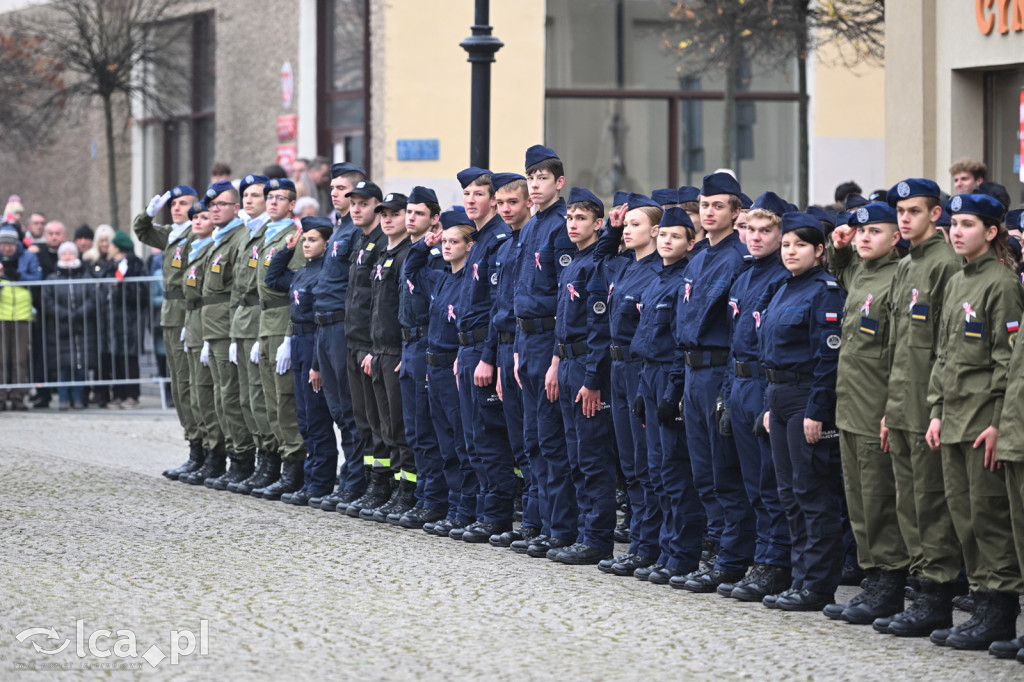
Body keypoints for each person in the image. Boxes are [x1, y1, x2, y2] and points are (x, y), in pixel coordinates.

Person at [925, 192, 1023, 650]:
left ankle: (998, 611)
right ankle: (982, 604)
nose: (958, 232)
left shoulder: (1000, 285)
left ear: (991, 232)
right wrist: (937, 412)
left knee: (990, 520)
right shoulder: (958, 281)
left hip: (984, 420)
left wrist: (999, 421)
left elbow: (1007, 362)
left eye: (968, 224)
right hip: (955, 417)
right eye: (955, 224)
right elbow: (945, 355)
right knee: (964, 518)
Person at [877, 178, 964, 638]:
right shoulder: (907, 264)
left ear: (936, 215)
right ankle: (920, 590)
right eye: (901, 211)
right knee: (908, 504)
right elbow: (898, 346)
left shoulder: (944, 266)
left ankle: (937, 596)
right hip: (902, 403)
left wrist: (937, 407)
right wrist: (891, 410)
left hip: (930, 404)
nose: (905, 218)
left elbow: (947, 346)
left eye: (914, 211)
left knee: (931, 504)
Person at [667, 172, 754, 593]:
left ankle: (733, 558)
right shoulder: (698, 257)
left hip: (720, 370)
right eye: (705, 205)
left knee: (725, 473)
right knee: (703, 472)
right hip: (692, 370)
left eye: (719, 205)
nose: (709, 211)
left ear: (737, 212)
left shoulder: (738, 258)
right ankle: (717, 552)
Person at [758, 212, 846, 612]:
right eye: (787, 244)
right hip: (779, 396)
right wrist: (767, 404)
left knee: (812, 491)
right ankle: (799, 578)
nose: (791, 251)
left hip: (806, 396)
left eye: (801, 245)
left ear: (820, 250)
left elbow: (828, 358)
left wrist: (817, 409)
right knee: (789, 494)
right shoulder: (783, 288)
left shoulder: (824, 292)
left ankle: (817, 586)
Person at [824, 201, 907, 625]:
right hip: (850, 406)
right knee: (858, 500)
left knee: (879, 501)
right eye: (861, 232)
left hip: (878, 409)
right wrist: (839, 247)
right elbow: (842, 270)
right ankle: (873, 580)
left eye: (875, 231)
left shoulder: (900, 277)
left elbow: (901, 355)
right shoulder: (860, 271)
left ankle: (888, 584)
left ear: (896, 237)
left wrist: (892, 411)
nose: (865, 238)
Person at [717, 192, 793, 602]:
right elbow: (735, 342)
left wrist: (766, 404)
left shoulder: (783, 275)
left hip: (767, 386)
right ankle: (755, 558)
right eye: (750, 230)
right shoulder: (744, 276)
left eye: (767, 231)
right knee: (747, 483)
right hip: (741, 383)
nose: (756, 238)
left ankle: (774, 564)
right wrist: (727, 395)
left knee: (770, 483)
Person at [628, 205, 704, 584]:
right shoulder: (656, 279)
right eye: (664, 236)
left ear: (691, 242)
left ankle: (682, 553)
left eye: (677, 236)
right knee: (654, 470)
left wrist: (671, 392)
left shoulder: (684, 282)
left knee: (675, 471)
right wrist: (644, 390)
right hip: (649, 374)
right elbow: (646, 341)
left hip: (671, 377)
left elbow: (678, 343)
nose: (667, 241)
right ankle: (661, 547)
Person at [510, 145, 579, 559]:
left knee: (552, 440)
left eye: (542, 178)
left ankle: (560, 527)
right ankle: (538, 521)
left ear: (559, 182)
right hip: (526, 340)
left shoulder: (560, 225)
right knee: (533, 439)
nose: (535, 184)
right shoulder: (532, 225)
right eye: (531, 177)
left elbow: (564, 299)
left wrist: (555, 357)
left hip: (549, 340)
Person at [548, 187, 617, 564]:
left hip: (588, 370)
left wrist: (592, 380)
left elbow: (597, 329)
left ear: (598, 224)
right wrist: (557, 363)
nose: (573, 225)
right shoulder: (574, 262)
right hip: (569, 363)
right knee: (574, 454)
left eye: (581, 219)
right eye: (570, 218)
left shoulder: (596, 264)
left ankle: (597, 539)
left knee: (592, 457)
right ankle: (581, 532)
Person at [594, 193, 661, 575]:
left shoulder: (657, 270)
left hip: (639, 368)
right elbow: (598, 262)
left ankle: (650, 544)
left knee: (647, 460)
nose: (628, 230)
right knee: (631, 463)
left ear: (655, 230)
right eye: (627, 225)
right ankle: (639, 542)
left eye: (636, 225)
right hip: (617, 368)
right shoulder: (623, 267)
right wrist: (612, 226)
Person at [405, 212, 479, 538]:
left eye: (454, 241)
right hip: (433, 367)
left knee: (462, 443)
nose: (447, 247)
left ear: (469, 245)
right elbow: (410, 272)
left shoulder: (470, 283)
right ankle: (453, 508)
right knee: (445, 444)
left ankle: (467, 510)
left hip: (454, 366)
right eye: (445, 241)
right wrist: (425, 245)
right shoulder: (441, 278)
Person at [455, 167, 516, 543]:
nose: (471, 201)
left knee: (489, 437)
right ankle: (481, 509)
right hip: (467, 346)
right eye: (466, 195)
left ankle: (496, 515)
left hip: (483, 346)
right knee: (472, 437)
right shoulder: (479, 240)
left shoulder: (497, 240)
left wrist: (487, 356)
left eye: (478, 194)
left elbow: (497, 306)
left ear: (493, 200)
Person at [266, 216, 338, 507]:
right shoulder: (303, 271)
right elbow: (272, 279)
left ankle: (320, 483)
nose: (307, 245)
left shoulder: (325, 274)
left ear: (326, 244)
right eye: (305, 240)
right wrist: (287, 249)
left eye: (312, 240)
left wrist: (317, 363)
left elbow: (321, 320)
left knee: (317, 416)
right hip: (297, 342)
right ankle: (310, 480)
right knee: (304, 418)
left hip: (313, 342)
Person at [134, 185, 203, 479]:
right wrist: (147, 215)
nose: (176, 208)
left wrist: (192, 318)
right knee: (178, 386)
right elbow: (143, 232)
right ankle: (194, 448)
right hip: (170, 315)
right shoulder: (171, 234)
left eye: (183, 203)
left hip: (186, 312)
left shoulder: (194, 235)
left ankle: (204, 451)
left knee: (191, 384)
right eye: (173, 204)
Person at [310, 162, 367, 512]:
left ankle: (355, 480)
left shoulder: (355, 233)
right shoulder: (339, 227)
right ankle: (350, 478)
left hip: (343, 327)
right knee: (337, 410)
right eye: (332, 187)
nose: (335, 193)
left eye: (342, 188)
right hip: (324, 326)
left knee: (350, 410)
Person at [486, 173, 538, 547]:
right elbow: (496, 307)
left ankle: (536, 521)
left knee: (535, 440)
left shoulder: (534, 239)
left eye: (513, 203)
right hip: (505, 345)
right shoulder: (505, 248)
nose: (506, 210)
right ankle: (530, 518)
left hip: (525, 344)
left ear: (528, 203)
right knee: (520, 440)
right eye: (501, 203)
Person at [196, 180, 257, 488]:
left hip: (228, 326)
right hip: (214, 326)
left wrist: (234, 333)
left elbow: (237, 290)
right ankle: (228, 455)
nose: (214, 210)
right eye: (212, 205)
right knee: (220, 396)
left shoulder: (238, 238)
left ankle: (242, 458)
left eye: (221, 204)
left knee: (232, 396)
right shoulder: (219, 238)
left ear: (236, 208)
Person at [393, 186, 448, 529]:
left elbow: (435, 312)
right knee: (414, 430)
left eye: (418, 214)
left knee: (429, 431)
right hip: (409, 347)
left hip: (428, 346)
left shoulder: (437, 257)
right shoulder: (411, 253)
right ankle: (425, 496)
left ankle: (433, 500)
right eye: (408, 213)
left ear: (434, 220)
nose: (411, 218)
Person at [360, 192, 416, 522]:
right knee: (385, 426)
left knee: (400, 425)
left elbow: (406, 311)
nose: (389, 219)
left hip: (397, 351)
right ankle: (395, 487)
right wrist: (372, 348)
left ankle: (408, 491)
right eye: (385, 214)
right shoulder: (384, 253)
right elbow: (374, 309)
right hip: (379, 351)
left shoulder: (409, 254)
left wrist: (402, 350)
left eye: (396, 213)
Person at [338, 180, 391, 518]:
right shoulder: (361, 240)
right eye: (352, 203)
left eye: (363, 203)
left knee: (381, 422)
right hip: (354, 342)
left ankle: (383, 486)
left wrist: (373, 347)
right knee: (363, 420)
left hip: (372, 346)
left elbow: (378, 306)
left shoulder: (384, 244)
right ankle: (372, 482)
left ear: (376, 206)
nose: (356, 209)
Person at [253, 178, 308, 500]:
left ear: (292, 205)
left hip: (281, 321)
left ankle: (293, 466)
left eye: (280, 198)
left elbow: (296, 289)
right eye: (269, 197)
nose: (272, 202)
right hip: (263, 323)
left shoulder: (294, 238)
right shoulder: (264, 235)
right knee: (268, 400)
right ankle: (271, 461)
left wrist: (290, 334)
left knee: (284, 399)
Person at [228, 175, 278, 496]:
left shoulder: (269, 234)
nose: (249, 200)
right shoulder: (248, 233)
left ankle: (270, 460)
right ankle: (258, 457)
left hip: (264, 320)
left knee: (263, 397)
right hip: (244, 321)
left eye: (255, 195)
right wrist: (234, 332)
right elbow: (237, 286)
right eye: (245, 195)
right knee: (247, 398)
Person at [177, 202, 224, 484]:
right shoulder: (194, 248)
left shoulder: (211, 249)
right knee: (195, 394)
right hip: (195, 321)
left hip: (210, 324)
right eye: (194, 217)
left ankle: (215, 456)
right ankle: (201, 453)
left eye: (203, 217)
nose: (197, 221)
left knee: (210, 393)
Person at [42, 241, 91, 410]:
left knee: (79, 367)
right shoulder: (52, 278)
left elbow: (93, 298)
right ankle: (63, 398)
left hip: (81, 328)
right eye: (64, 254)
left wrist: (80, 312)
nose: (68, 256)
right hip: (60, 329)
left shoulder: (85, 276)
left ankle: (77, 398)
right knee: (63, 367)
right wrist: (64, 314)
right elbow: (47, 301)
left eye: (71, 253)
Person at [0, 224, 42, 410]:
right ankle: (1, 396)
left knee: (20, 359)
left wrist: (17, 275)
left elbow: (37, 278)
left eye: (10, 244)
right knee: (1, 359)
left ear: (16, 244)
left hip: (22, 315)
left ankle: (18, 396)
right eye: (3, 244)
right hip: (2, 315)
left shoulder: (28, 257)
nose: (7, 248)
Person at [104, 231, 147, 409]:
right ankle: (118, 395)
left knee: (130, 357)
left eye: (112, 245)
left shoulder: (135, 264)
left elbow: (141, 291)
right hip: (114, 318)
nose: (109, 248)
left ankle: (132, 395)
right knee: (117, 357)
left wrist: (119, 291)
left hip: (131, 317)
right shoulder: (112, 265)